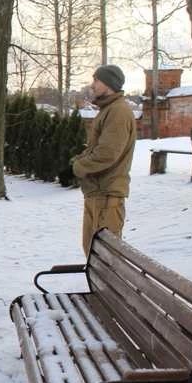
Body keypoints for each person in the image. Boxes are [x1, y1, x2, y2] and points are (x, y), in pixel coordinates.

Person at [72, 64, 136, 257]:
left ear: (108, 84)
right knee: (93, 254)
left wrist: (79, 166)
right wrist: (80, 159)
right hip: (98, 193)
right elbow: (96, 148)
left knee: (105, 258)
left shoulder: (118, 111)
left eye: (96, 80)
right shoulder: (108, 110)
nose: (93, 85)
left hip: (107, 195)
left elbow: (107, 153)